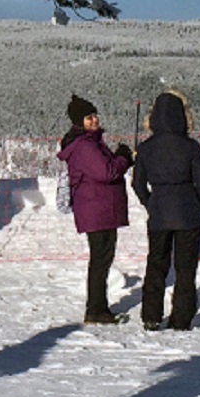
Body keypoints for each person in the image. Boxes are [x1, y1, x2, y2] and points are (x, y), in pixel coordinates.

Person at [131, 91, 200, 331]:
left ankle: (151, 315)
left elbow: (137, 184)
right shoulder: (191, 147)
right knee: (185, 269)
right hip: (188, 213)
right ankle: (181, 319)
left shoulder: (146, 148)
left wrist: (150, 202)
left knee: (156, 265)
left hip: (159, 213)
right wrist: (198, 207)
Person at [58, 96, 133, 325]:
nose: (94, 120)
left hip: (100, 209)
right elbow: (107, 172)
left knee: (102, 260)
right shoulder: (85, 146)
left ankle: (99, 308)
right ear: (79, 122)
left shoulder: (90, 142)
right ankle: (96, 310)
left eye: (95, 115)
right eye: (89, 117)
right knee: (100, 261)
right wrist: (123, 158)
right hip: (97, 209)